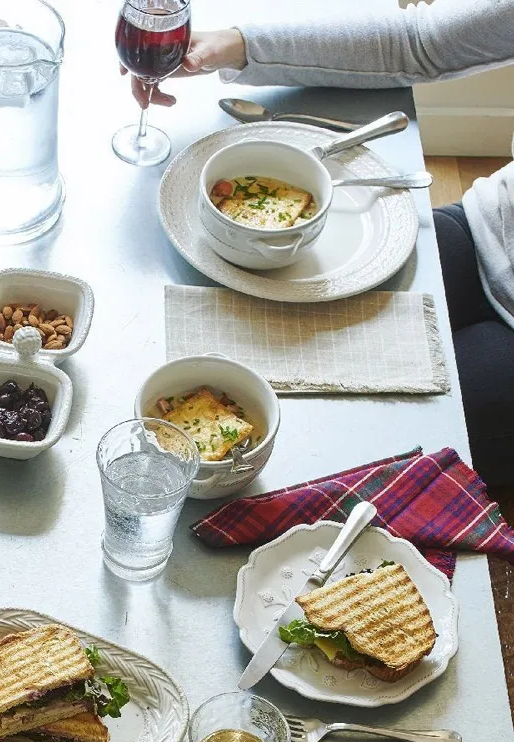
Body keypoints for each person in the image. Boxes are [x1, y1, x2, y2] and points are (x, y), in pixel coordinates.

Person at [126, 0, 514, 486]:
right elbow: (420, 43)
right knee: (276, 351)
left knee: (396, 449)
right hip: (490, 227)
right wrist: (238, 44)